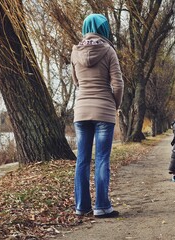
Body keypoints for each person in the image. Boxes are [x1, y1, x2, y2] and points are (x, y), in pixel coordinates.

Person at [71, 13, 124, 218]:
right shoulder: (108, 50)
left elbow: (76, 81)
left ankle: (82, 206)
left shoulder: (75, 52)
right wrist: (114, 104)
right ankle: (102, 206)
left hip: (81, 111)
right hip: (104, 111)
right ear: (104, 29)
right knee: (102, 159)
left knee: (82, 160)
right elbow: (118, 84)